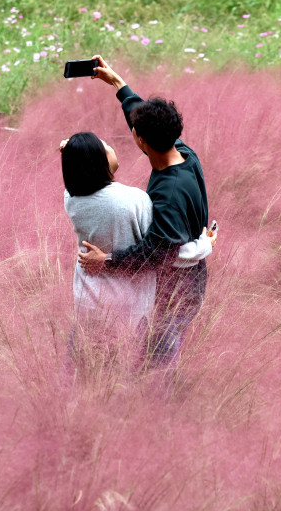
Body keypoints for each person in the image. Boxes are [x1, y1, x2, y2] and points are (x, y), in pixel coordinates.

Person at [77, 56, 211, 372]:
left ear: (140, 140)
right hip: (189, 278)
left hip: (176, 290)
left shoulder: (168, 194)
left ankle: (158, 399)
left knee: (156, 365)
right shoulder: (183, 153)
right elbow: (148, 125)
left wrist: (106, 261)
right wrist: (117, 84)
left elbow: (157, 253)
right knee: (152, 355)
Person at [62, 132, 212, 369]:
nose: (111, 147)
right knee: (126, 371)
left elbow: (77, 169)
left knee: (84, 367)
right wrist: (204, 244)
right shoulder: (134, 201)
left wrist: (71, 151)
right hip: (127, 304)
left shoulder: (72, 198)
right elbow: (162, 251)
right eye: (106, 146)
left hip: (87, 298)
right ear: (100, 160)